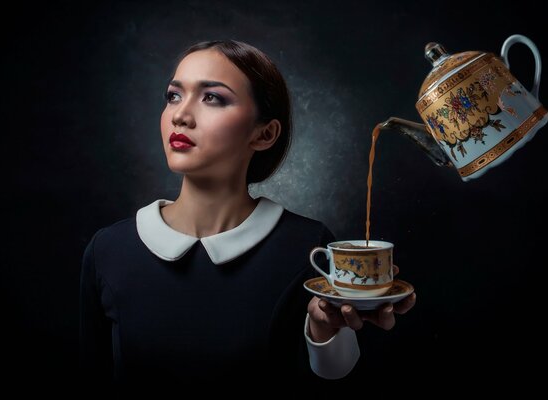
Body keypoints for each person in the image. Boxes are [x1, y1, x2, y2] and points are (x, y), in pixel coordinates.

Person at [79, 39, 416, 387]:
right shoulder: (109, 250)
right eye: (173, 95)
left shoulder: (308, 248)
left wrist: (325, 332)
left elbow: (339, 380)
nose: (180, 114)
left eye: (213, 97)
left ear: (265, 133)